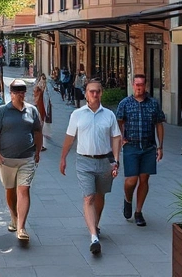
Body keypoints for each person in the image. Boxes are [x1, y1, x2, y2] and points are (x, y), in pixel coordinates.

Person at [59, 79, 121, 255]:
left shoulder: (109, 115)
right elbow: (70, 138)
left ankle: (96, 224)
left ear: (101, 93)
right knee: (89, 197)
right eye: (91, 91)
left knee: (100, 196)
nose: (94, 94)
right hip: (84, 161)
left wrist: (116, 160)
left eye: (97, 91)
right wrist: (63, 158)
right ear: (85, 93)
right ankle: (94, 237)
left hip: (105, 161)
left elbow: (116, 137)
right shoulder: (77, 114)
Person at [0, 80, 43, 244]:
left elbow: (38, 132)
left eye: (22, 91)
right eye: (16, 91)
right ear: (10, 93)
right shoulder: (2, 111)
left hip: (27, 158)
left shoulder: (31, 110)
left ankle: (21, 227)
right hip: (6, 159)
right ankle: (13, 216)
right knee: (10, 190)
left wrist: (38, 151)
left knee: (24, 190)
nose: (20, 94)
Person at [115, 74, 165, 227]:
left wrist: (160, 146)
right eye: (136, 84)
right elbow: (119, 122)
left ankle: (138, 212)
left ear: (146, 86)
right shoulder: (125, 103)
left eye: (141, 84)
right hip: (131, 146)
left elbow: (159, 124)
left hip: (148, 147)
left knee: (144, 179)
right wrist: (122, 138)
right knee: (131, 180)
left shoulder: (153, 104)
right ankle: (128, 199)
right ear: (132, 85)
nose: (139, 87)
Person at [33, 74, 51, 150]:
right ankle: (38, 145)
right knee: (39, 128)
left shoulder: (42, 91)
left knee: (40, 128)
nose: (44, 84)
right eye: (42, 81)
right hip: (40, 110)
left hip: (42, 110)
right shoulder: (39, 91)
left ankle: (38, 144)